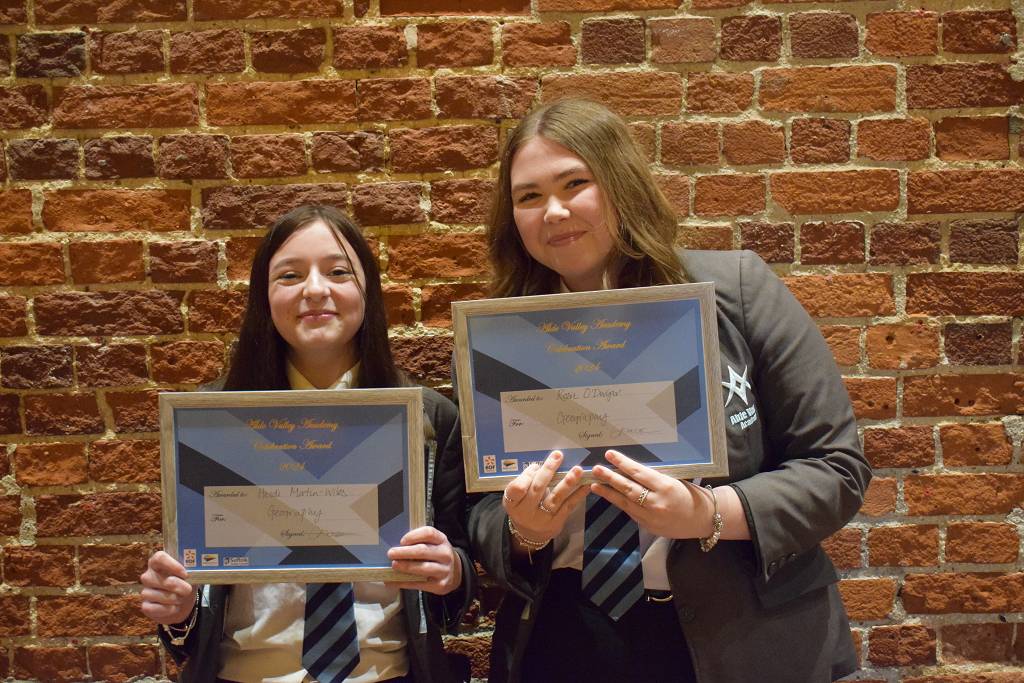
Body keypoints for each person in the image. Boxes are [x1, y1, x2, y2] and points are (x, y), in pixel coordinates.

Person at [467, 99, 872, 682]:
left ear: (620, 183)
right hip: (563, 636)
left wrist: (708, 513)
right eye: (528, 196)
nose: (553, 211)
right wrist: (525, 530)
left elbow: (835, 468)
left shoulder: (736, 289)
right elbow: (480, 507)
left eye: (575, 184)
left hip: (742, 635)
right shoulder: (498, 337)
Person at [141, 204, 473, 683]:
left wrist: (451, 571)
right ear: (264, 297)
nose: (315, 290)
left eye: (338, 272)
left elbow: (458, 583)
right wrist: (178, 609)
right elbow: (191, 617)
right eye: (289, 276)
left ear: (368, 290)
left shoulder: (429, 419)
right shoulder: (212, 425)